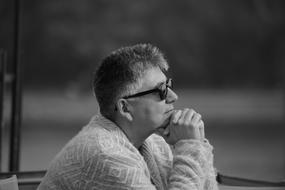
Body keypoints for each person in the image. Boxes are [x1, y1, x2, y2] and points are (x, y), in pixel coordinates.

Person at [38, 44, 219, 190]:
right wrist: (189, 147)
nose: (173, 97)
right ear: (125, 108)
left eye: (169, 85)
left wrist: (198, 143)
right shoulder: (106, 154)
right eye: (161, 90)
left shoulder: (154, 142)